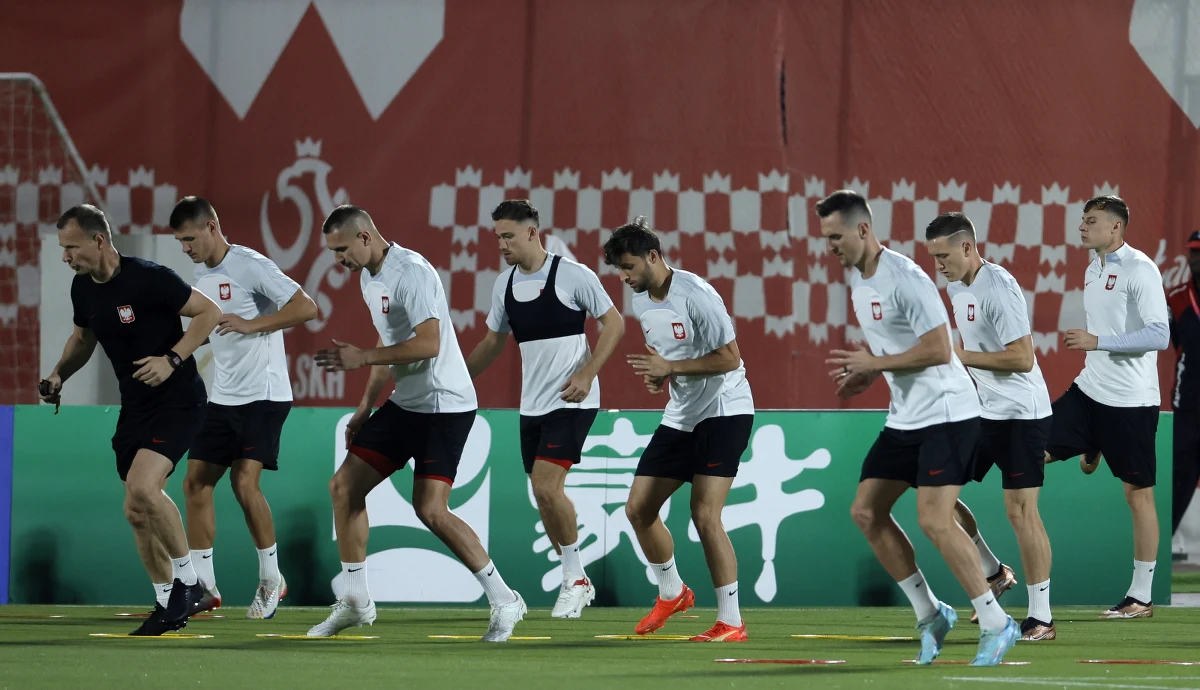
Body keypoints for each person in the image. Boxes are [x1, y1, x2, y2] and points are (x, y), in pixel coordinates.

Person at [818, 190, 1019, 666]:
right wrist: (869, 372)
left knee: (934, 519)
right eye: (825, 238)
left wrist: (875, 361)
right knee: (866, 512)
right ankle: (931, 613)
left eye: (835, 236)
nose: (830, 246)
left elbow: (938, 349)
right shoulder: (859, 284)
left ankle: (996, 621)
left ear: (863, 230)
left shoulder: (904, 276)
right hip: (907, 415)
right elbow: (898, 353)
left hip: (949, 413)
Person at [308, 205, 525, 641]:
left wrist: (363, 358)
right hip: (407, 404)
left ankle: (505, 599)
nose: (338, 260)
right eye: (333, 251)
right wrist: (366, 405)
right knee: (344, 487)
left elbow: (428, 344)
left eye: (342, 249)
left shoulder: (413, 272)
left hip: (446, 404)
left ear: (365, 237)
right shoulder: (369, 278)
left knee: (430, 508)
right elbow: (389, 341)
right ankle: (356, 602)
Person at [40, 204, 220, 635]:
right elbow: (84, 337)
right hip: (135, 407)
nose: (65, 257)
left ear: (98, 241)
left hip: (178, 400)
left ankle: (192, 585)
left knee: (144, 486)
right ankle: (166, 603)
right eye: (62, 249)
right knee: (137, 510)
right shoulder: (83, 290)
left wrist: (172, 358)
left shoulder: (149, 277)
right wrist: (59, 373)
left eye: (70, 247)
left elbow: (209, 313)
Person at [466, 199, 625, 618]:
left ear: (533, 233)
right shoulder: (504, 285)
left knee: (546, 486)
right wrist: (455, 379)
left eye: (509, 236)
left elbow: (615, 323)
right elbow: (491, 343)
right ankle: (575, 575)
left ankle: (574, 579)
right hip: (532, 406)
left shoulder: (573, 275)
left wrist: (588, 373)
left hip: (574, 400)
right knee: (542, 494)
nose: (501, 244)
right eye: (497, 237)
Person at [603, 216, 753, 643]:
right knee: (638, 509)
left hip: (725, 410)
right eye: (619, 270)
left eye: (629, 266)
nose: (625, 277)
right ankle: (672, 591)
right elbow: (666, 355)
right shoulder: (641, 301)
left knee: (705, 515)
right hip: (682, 413)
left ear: (654, 256)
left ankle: (731, 621)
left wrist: (671, 367)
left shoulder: (698, 295)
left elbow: (729, 358)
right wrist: (660, 376)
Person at [170, 196, 318, 618]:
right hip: (224, 396)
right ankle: (203, 588)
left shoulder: (251, 264)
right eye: (180, 241)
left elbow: (306, 306)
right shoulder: (200, 272)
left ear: (212, 227)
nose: (186, 248)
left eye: (190, 238)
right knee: (195, 483)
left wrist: (252, 324)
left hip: (265, 395)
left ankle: (273, 579)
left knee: (243, 484)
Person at [925, 211, 1057, 641]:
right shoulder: (955, 286)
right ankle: (992, 570)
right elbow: (969, 349)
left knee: (1021, 512)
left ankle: (1041, 617)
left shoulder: (997, 288)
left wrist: (960, 357)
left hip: (1021, 412)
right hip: (981, 411)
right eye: (933, 257)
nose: (938, 265)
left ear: (968, 247)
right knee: (935, 497)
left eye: (943, 255)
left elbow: (1022, 358)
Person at [1044, 195, 1170, 618]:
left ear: (1116, 228)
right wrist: (1096, 350)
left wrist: (1099, 342)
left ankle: (1141, 596)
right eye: (1082, 220)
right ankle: (1092, 441)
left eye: (1091, 221)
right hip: (1088, 391)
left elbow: (1158, 335)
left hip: (1131, 404)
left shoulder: (1141, 269)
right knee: (1028, 452)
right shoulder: (1092, 268)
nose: (1082, 227)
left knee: (1138, 497)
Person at [1168, 231, 1200, 545]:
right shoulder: (1176, 297)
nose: (1196, 259)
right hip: (1188, 407)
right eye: (1193, 252)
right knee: (1179, 482)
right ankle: (1160, 552)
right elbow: (1177, 343)